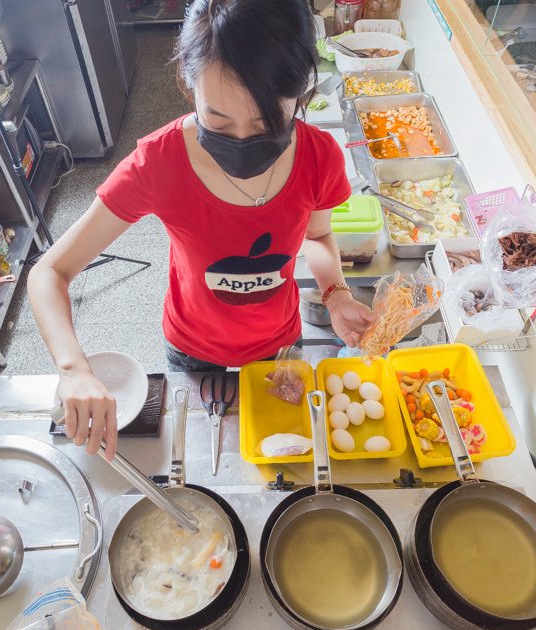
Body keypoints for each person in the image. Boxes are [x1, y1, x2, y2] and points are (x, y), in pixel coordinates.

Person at [28, 0, 374, 459]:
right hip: (192, 345)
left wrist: (336, 294)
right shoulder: (158, 164)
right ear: (189, 85)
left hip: (278, 340)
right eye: (217, 120)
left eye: (266, 121)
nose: (242, 140)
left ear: (299, 92)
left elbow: (316, 236)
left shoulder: (319, 157)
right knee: (191, 452)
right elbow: (49, 271)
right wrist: (73, 367)